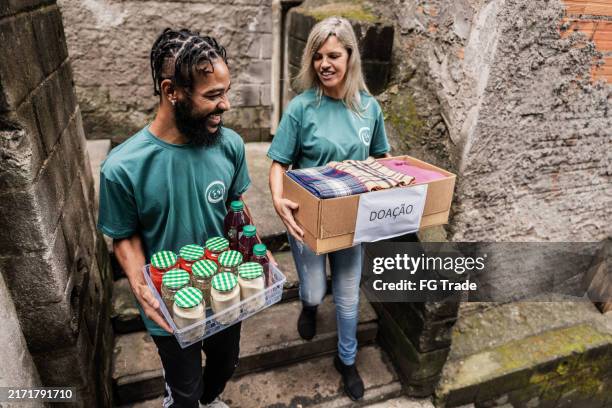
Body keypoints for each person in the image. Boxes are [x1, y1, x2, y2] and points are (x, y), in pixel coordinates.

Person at [98, 28, 251, 408]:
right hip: (168, 306)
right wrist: (138, 281)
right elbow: (125, 236)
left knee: (225, 362)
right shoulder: (122, 168)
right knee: (184, 391)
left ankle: (208, 400)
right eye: (213, 95)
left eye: (226, 91)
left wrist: (250, 248)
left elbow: (235, 204)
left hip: (224, 293)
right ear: (172, 92)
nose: (226, 105)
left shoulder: (230, 146)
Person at [267, 17, 391, 401]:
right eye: (318, 56)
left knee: (349, 296)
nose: (325, 64)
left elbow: (381, 158)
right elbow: (278, 162)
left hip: (352, 222)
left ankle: (347, 360)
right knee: (316, 286)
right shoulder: (302, 108)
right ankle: (308, 303)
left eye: (334, 55)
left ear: (350, 56)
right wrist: (277, 199)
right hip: (306, 220)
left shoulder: (368, 109)